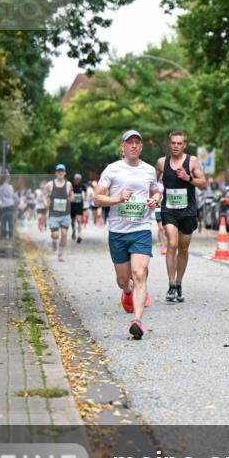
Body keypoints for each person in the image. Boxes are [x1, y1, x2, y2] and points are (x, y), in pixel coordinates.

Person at [94, 130, 161, 340]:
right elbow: (97, 198)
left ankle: (137, 321)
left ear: (141, 147)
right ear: (122, 146)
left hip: (141, 229)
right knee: (123, 279)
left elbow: (156, 192)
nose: (133, 146)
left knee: (140, 274)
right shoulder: (112, 170)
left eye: (137, 143)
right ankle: (127, 290)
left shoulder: (149, 170)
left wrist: (155, 200)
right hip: (118, 232)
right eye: (129, 143)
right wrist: (117, 199)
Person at [156, 130, 207, 303]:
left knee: (183, 247)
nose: (176, 146)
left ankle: (179, 283)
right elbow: (153, 183)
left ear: (184, 145)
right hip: (169, 209)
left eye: (179, 143)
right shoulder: (161, 163)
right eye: (173, 143)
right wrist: (155, 195)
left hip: (188, 210)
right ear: (169, 144)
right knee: (172, 243)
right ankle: (171, 285)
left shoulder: (192, 161)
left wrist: (188, 177)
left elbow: (203, 183)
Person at [43, 164, 72, 261]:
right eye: (58, 171)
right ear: (55, 173)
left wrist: (71, 198)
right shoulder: (50, 184)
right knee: (55, 234)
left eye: (62, 171)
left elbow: (71, 196)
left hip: (65, 213)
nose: (60, 172)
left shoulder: (68, 184)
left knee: (64, 234)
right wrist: (46, 201)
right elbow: (44, 195)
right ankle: (54, 240)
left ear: (65, 173)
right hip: (53, 213)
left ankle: (60, 254)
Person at [0, 173, 16, 240]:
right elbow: (12, 195)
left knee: (3, 222)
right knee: (10, 221)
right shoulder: (10, 187)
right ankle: (10, 236)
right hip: (10, 205)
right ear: (7, 179)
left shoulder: (0, 188)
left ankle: (4, 236)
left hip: (3, 206)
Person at [69, 173, 88, 243]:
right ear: (74, 179)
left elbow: (86, 193)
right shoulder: (71, 186)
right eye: (76, 179)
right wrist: (70, 198)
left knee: (79, 220)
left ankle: (79, 235)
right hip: (72, 205)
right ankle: (73, 230)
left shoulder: (82, 186)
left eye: (78, 179)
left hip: (79, 205)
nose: (77, 180)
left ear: (80, 180)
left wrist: (85, 197)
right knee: (72, 221)